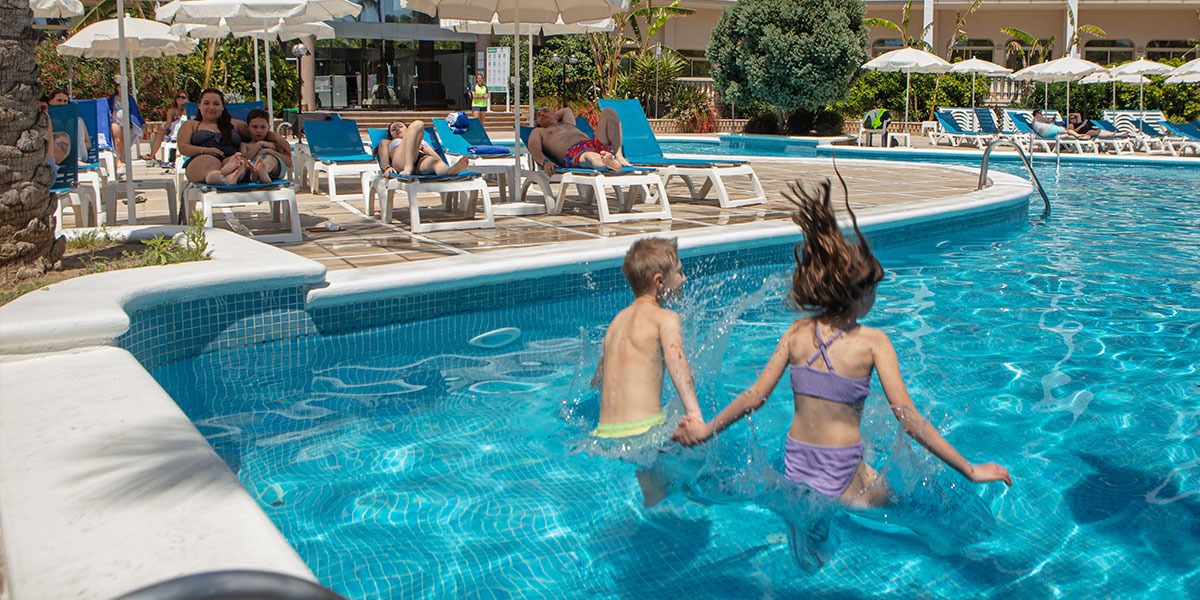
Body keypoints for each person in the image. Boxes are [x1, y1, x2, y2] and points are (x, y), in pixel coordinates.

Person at [674, 178, 1011, 510]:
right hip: (841, 465)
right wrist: (970, 469)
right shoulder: (874, 342)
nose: (875, 297)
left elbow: (754, 396)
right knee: (906, 508)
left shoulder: (796, 332)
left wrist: (705, 430)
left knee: (816, 514)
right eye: (874, 290)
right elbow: (908, 419)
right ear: (860, 294)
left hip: (797, 461)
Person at [593, 237, 705, 506]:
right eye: (679, 271)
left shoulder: (616, 322)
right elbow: (678, 364)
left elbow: (597, 380)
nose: (685, 277)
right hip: (643, 432)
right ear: (659, 282)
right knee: (690, 481)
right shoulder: (665, 318)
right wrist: (694, 414)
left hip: (603, 435)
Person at [527, 106, 631, 175]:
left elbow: (566, 110)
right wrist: (545, 162)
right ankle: (610, 164)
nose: (542, 115)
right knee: (590, 156)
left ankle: (618, 155)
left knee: (609, 112)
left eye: (545, 111)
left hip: (591, 144)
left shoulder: (568, 124)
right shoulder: (539, 131)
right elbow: (534, 148)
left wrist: (554, 117)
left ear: (556, 115)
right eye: (539, 116)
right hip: (574, 153)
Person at [178, 88, 250, 186]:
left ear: (222, 107)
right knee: (209, 164)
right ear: (199, 105)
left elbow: (259, 131)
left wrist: (272, 140)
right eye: (206, 103)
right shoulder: (192, 124)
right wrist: (205, 150)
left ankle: (231, 175)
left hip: (231, 157)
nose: (211, 107)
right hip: (202, 159)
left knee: (239, 163)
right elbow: (183, 147)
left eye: (216, 104)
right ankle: (221, 178)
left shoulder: (234, 124)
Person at [375, 119, 467, 177]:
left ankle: (449, 171)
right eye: (393, 129)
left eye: (400, 126)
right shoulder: (387, 142)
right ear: (390, 135)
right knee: (418, 124)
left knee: (436, 163)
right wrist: (386, 167)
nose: (398, 129)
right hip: (401, 161)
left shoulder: (421, 142)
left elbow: (438, 159)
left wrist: (424, 148)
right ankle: (408, 167)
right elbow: (383, 159)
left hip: (420, 159)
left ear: (408, 129)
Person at [239, 108, 293, 184]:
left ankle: (263, 169)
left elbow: (289, 163)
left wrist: (268, 151)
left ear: (268, 127)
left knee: (270, 159)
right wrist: (259, 145)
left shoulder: (273, 143)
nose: (259, 131)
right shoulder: (245, 145)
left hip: (273, 169)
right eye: (254, 127)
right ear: (248, 128)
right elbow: (245, 160)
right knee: (250, 164)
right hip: (251, 169)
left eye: (263, 127)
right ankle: (257, 172)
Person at [46, 89, 91, 166]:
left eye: (65, 101)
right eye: (59, 100)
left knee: (75, 122)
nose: (62, 103)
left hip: (76, 154)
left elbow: (88, 144)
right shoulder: (45, 118)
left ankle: (77, 159)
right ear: (50, 101)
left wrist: (74, 146)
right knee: (56, 123)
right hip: (55, 154)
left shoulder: (77, 119)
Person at [143, 90, 189, 164]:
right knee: (160, 133)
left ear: (187, 99)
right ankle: (152, 155)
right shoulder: (172, 111)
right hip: (174, 130)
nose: (180, 99)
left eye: (183, 97)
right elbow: (168, 124)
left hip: (185, 130)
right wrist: (164, 129)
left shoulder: (189, 110)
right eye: (178, 97)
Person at [108, 81, 146, 169]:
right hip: (115, 120)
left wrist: (140, 121)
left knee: (123, 142)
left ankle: (121, 158)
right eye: (119, 86)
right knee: (117, 141)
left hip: (126, 122)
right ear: (117, 87)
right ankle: (118, 160)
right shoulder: (113, 98)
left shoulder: (129, 98)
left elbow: (135, 111)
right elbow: (109, 109)